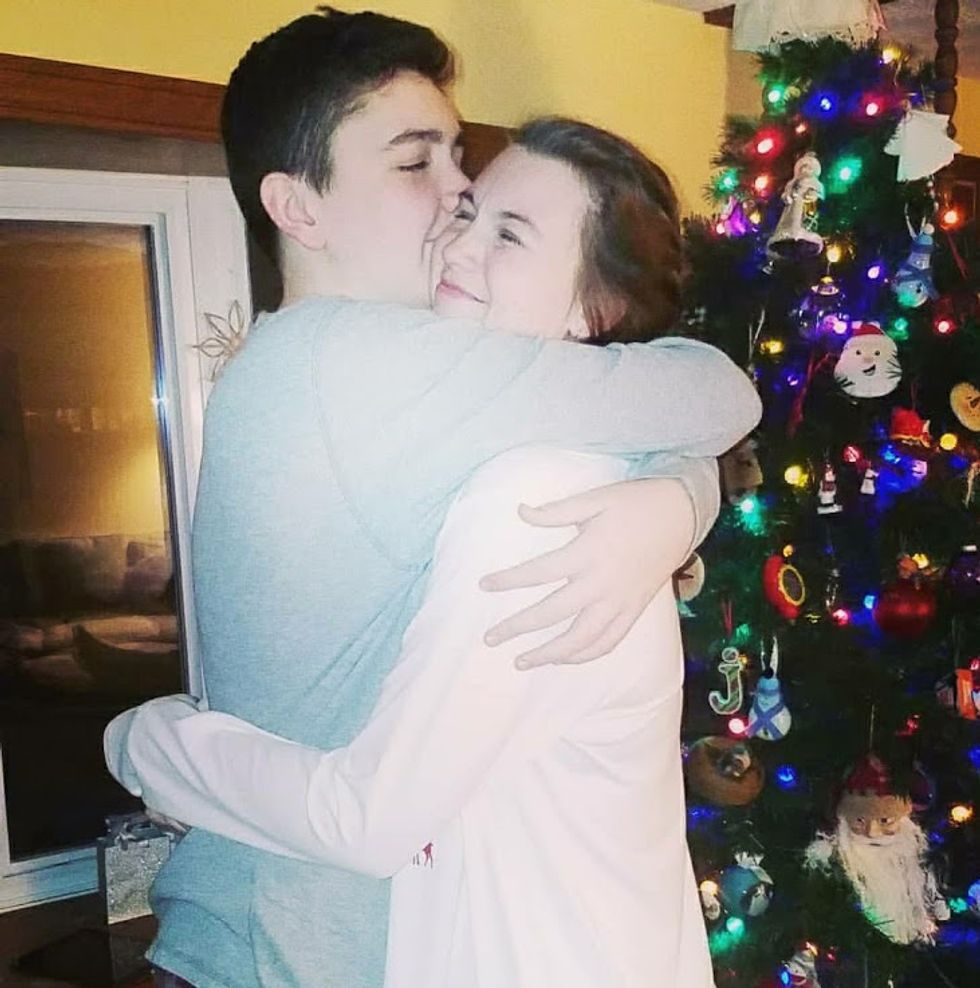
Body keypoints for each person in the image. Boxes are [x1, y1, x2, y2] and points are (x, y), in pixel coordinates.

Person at [105, 9, 759, 988]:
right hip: (288, 952)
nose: (457, 191)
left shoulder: (338, 373)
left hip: (284, 935)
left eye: (458, 158)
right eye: (416, 163)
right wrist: (142, 740)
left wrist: (673, 498)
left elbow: (689, 404)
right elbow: (712, 392)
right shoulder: (363, 364)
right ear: (298, 207)